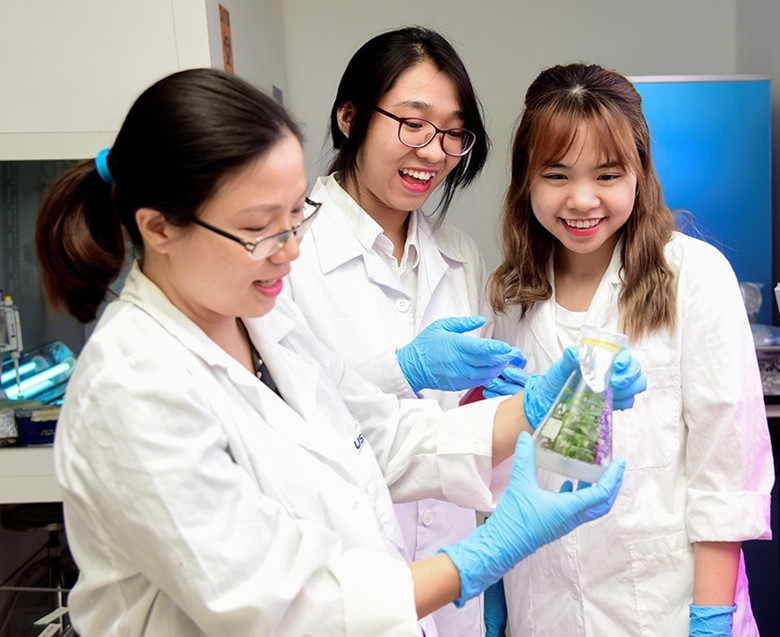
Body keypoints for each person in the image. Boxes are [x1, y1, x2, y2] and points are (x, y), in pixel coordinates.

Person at [34, 67, 647, 637]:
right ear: (159, 228)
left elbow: (374, 434)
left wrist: (532, 408)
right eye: (259, 228)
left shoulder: (261, 321)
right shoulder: (132, 384)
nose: (291, 250)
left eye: (295, 215)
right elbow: (281, 604)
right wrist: (483, 556)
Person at [486, 62, 774, 636]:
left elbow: (726, 471)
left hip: (665, 610)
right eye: (557, 174)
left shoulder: (693, 276)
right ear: (526, 179)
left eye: (608, 174)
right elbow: (494, 472)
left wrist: (710, 619)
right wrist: (492, 592)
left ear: (639, 173)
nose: (582, 199)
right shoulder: (508, 295)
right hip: (541, 608)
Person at [283, 26, 526, 635]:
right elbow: (292, 422)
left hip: (453, 580)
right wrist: (404, 370)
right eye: (413, 123)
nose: (434, 151)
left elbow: (457, 429)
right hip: (343, 582)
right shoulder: (287, 252)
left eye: (452, 132)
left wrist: (487, 402)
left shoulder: (461, 256)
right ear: (349, 118)